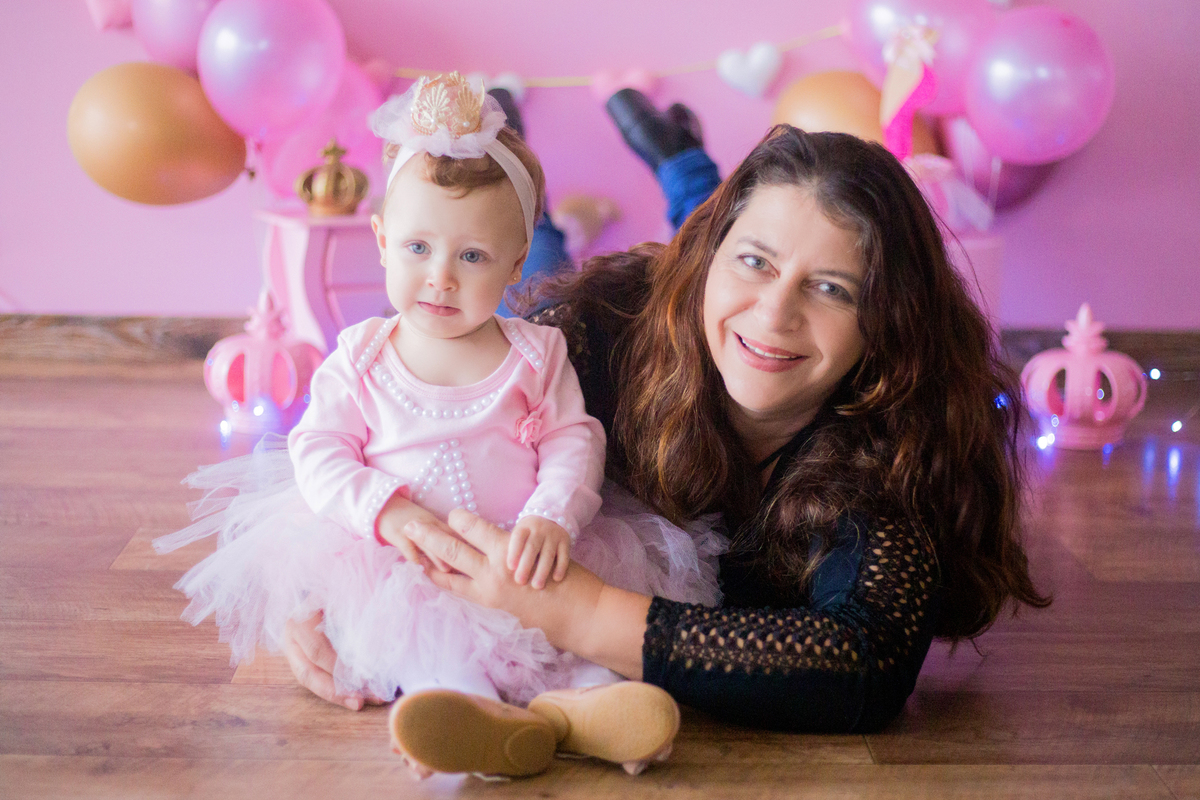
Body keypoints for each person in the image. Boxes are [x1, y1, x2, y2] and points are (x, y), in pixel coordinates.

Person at [281, 89, 1050, 753]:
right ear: (707, 258)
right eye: (752, 262)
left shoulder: (896, 444)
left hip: (594, 581)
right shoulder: (594, 336)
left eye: (833, 289)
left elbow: (866, 664)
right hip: (609, 304)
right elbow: (405, 433)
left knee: (537, 260)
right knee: (530, 269)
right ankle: (651, 203)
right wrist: (331, 595)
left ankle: (669, 159)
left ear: (886, 322)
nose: (776, 315)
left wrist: (577, 612)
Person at [155, 76, 727, 778]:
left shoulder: (534, 353)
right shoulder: (363, 356)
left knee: (573, 642)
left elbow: (573, 441)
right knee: (430, 646)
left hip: (524, 553)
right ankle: (466, 715)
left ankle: (593, 708)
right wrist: (386, 515)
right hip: (410, 562)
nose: (441, 278)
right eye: (418, 248)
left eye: (473, 257)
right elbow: (319, 448)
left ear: (518, 263)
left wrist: (553, 517)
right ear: (383, 239)